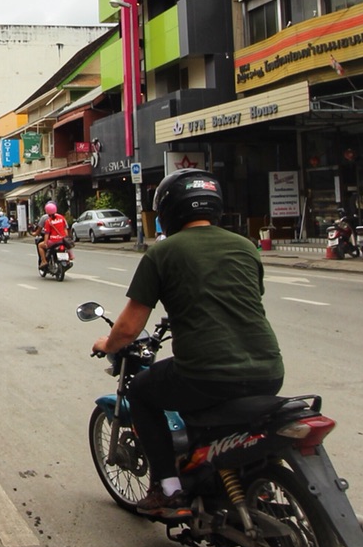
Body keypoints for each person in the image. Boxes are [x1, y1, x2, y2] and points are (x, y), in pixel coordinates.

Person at [90, 171, 285, 517]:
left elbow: (128, 328)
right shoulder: (245, 247)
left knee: (142, 392)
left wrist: (107, 343)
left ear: (168, 210)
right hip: (269, 370)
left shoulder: (162, 253)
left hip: (205, 373)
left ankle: (167, 487)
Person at [36, 201, 70, 273]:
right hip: (62, 239)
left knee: (40, 245)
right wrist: (66, 238)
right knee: (67, 246)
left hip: (53, 241)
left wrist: (45, 243)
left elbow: (46, 234)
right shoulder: (61, 217)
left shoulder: (48, 221)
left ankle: (44, 261)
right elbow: (65, 229)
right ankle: (69, 259)